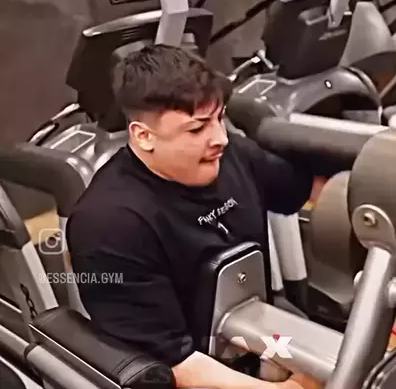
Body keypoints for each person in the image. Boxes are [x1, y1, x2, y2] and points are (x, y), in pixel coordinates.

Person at [66, 44, 328, 389]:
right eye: (196, 129)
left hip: (257, 337)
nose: (220, 139)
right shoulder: (109, 225)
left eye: (219, 118)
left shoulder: (232, 155)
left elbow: (311, 189)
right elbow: (175, 365)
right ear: (144, 136)